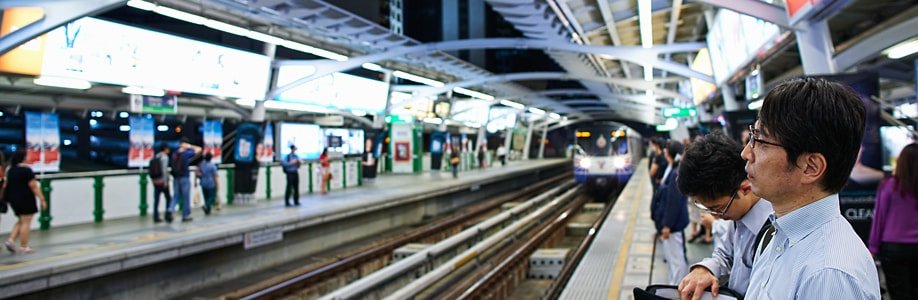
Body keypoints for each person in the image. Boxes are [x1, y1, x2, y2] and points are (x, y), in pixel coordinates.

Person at [742, 77, 879, 299]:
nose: (746, 153)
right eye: (752, 136)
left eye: (762, 142)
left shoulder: (828, 275)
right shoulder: (778, 233)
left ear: (810, 167)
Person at [676, 131, 773, 299]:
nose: (717, 216)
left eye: (719, 208)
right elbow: (724, 255)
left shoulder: (774, 229)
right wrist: (705, 269)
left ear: (745, 189)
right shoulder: (737, 216)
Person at [869, 143, 918, 300]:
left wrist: (873, 247)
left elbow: (879, 218)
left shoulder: (889, 186)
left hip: (893, 248)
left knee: (898, 295)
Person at [650, 140, 689, 285]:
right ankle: (674, 284)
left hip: (673, 225)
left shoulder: (675, 173)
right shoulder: (672, 168)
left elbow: (673, 202)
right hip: (670, 224)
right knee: (672, 258)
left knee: (677, 259)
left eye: (666, 150)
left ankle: (678, 289)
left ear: (669, 153)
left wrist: (667, 225)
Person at [3, 150, 47, 253]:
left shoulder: (11, 170)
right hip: (26, 198)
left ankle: (11, 240)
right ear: (23, 158)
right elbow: (34, 186)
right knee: (26, 222)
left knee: (21, 220)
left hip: (13, 199)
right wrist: (42, 199)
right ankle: (24, 245)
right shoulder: (26, 170)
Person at [166, 139, 201, 223]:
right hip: (184, 177)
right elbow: (199, 150)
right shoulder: (186, 154)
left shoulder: (174, 154)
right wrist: (190, 146)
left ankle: (170, 209)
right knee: (186, 197)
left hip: (176, 178)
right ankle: (186, 215)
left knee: (176, 195)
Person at [151, 144, 171, 223]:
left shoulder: (156, 156)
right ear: (165, 149)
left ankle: (155, 216)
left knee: (156, 200)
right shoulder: (165, 157)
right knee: (169, 198)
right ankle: (167, 215)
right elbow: (164, 170)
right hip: (162, 182)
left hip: (156, 181)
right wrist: (165, 182)